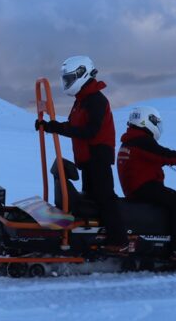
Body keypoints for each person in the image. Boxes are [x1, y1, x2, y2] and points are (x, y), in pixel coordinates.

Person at [35, 55, 120, 241]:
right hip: (87, 159)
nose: (67, 83)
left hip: (98, 158)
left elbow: (90, 131)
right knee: (91, 199)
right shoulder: (81, 100)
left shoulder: (96, 100)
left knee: (105, 199)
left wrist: (58, 128)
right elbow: (74, 126)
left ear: (81, 74)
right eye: (65, 79)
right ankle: (93, 238)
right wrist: (50, 127)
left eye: (69, 79)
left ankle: (119, 240)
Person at [116, 106, 176, 261]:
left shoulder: (131, 140)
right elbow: (165, 155)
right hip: (145, 187)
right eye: (155, 121)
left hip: (137, 187)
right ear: (146, 121)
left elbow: (152, 160)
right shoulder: (141, 140)